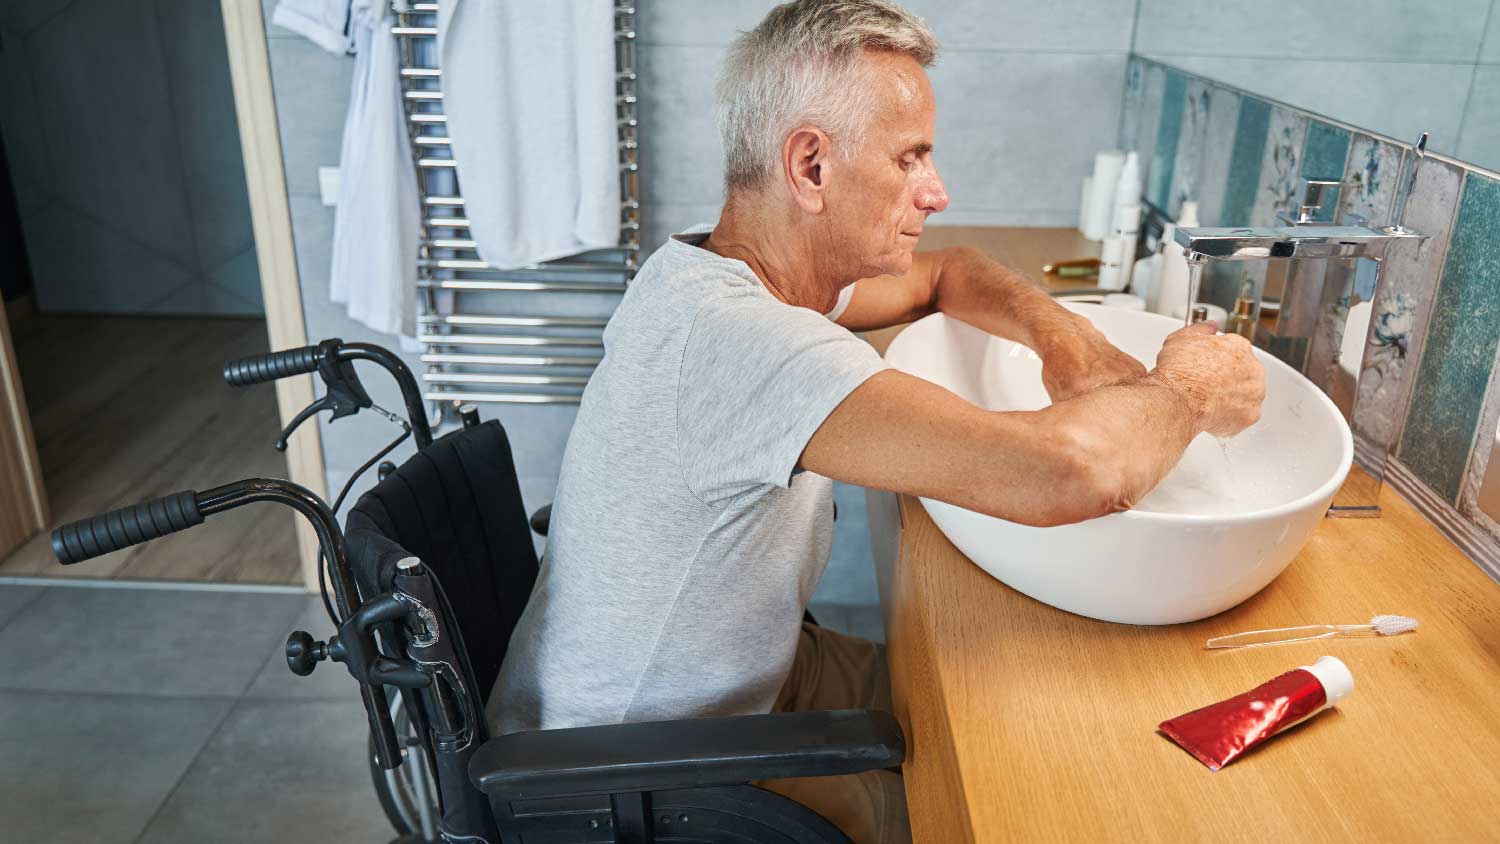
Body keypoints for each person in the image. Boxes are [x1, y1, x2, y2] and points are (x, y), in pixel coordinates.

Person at [490, 2, 1265, 841]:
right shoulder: (743, 342)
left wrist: (1066, 342)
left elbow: (948, 273)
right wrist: (1186, 392)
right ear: (811, 167)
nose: (937, 190)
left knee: (980, 698)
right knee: (988, 803)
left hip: (722, 687)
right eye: (910, 158)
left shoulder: (718, 270)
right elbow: (1070, 472)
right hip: (637, 770)